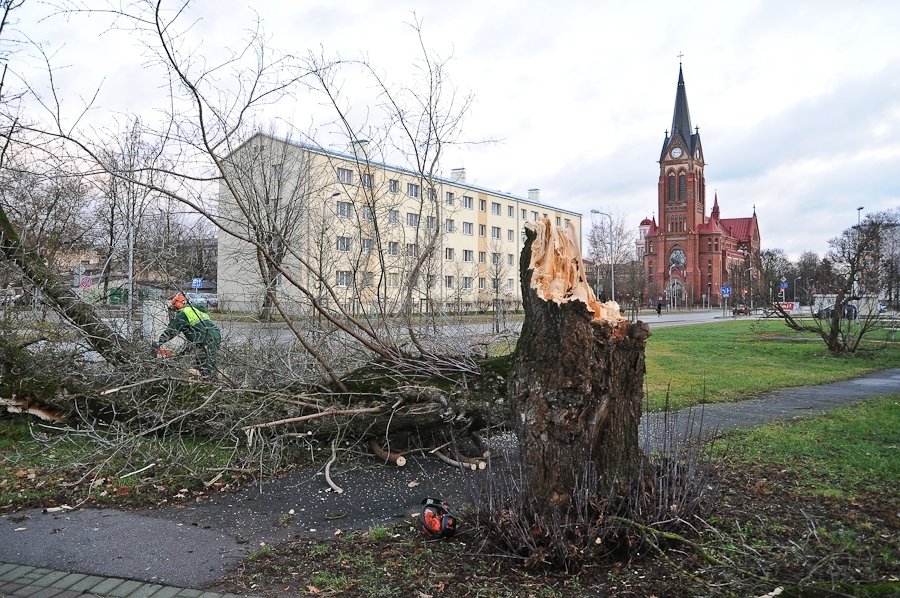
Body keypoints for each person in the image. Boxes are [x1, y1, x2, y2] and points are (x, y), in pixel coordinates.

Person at [154, 293, 221, 379]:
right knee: (203, 360)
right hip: (213, 335)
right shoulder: (196, 310)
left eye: (175, 307)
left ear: (179, 303)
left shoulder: (184, 313)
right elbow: (192, 340)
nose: (175, 311)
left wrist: (159, 342)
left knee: (207, 366)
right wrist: (180, 354)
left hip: (206, 338)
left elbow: (172, 331)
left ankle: (210, 383)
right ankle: (206, 380)